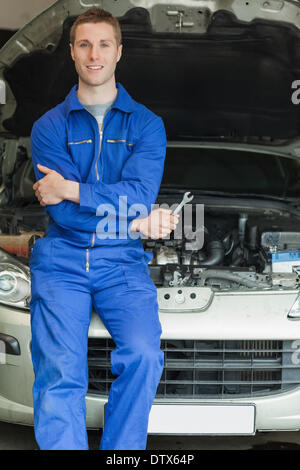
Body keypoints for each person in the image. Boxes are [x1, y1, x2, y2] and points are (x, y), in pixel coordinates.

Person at [29, 7, 179, 450]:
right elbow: (65, 217)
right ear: (73, 53)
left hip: (122, 263)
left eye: (104, 44)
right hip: (62, 261)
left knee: (145, 355)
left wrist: (71, 188)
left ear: (119, 52)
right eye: (84, 44)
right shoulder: (49, 126)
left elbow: (138, 193)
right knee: (59, 369)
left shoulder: (147, 125)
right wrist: (135, 218)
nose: (94, 54)